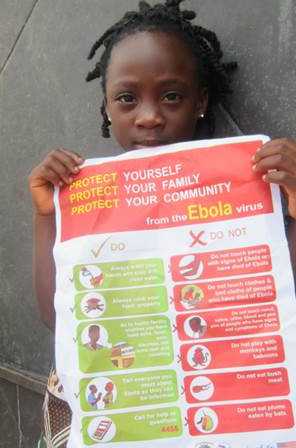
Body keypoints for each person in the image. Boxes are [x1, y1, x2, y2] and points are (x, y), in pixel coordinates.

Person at [29, 1, 296, 446]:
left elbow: (280, 300)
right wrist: (45, 216)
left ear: (201, 101)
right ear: (107, 107)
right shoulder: (84, 194)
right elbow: (55, 316)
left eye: (171, 95)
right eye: (127, 98)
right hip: (125, 402)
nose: (149, 116)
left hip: (230, 396)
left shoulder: (254, 181)